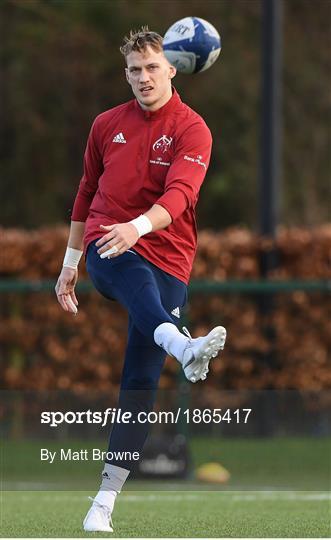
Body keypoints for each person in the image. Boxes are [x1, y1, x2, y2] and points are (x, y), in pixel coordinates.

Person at [55, 27, 226, 533]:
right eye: (134, 69)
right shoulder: (106, 124)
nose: (143, 77)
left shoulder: (194, 130)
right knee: (120, 262)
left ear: (172, 68)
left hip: (168, 255)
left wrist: (139, 227)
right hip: (109, 241)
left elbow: (178, 197)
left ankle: (103, 502)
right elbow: (87, 194)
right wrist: (69, 262)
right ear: (125, 74)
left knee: (140, 381)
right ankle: (181, 343)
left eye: (152, 67)